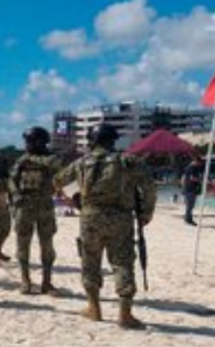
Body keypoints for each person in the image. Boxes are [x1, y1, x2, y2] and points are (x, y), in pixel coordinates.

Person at [56, 124, 157, 330]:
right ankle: (125, 314)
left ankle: (94, 308)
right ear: (113, 140)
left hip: (89, 217)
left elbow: (57, 181)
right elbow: (149, 185)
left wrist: (73, 200)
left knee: (90, 262)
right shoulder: (127, 160)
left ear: (93, 140)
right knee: (122, 263)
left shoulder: (82, 162)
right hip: (120, 218)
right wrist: (146, 212)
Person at [10, 126, 63, 295]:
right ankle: (25, 280)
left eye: (30, 141)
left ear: (40, 142)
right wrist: (15, 193)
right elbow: (12, 180)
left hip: (45, 207)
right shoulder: (21, 160)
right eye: (27, 141)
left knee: (47, 245)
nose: (26, 144)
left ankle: (47, 282)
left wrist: (32, 159)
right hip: (24, 207)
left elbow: (56, 166)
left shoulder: (51, 158)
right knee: (22, 244)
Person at [181, 156, 205, 226]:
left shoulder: (188, 167)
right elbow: (193, 178)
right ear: (197, 162)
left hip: (188, 188)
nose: (201, 165)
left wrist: (183, 187)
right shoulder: (193, 167)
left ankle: (187, 218)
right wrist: (201, 180)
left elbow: (183, 177)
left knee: (189, 205)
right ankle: (188, 219)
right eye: (200, 163)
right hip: (190, 189)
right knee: (190, 205)